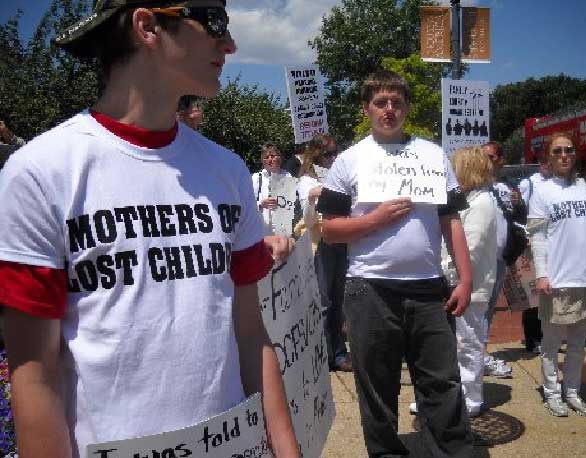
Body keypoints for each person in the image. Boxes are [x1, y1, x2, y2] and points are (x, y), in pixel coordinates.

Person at [0, 2, 300, 458]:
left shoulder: (227, 171)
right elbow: (35, 377)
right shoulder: (40, 173)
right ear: (147, 26)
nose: (230, 43)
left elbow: (251, 336)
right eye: (214, 22)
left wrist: (286, 448)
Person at [316, 70, 474, 458]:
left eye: (397, 102)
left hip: (428, 288)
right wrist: (376, 219)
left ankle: (452, 452)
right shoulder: (349, 161)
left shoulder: (432, 155)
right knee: (377, 387)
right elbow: (329, 230)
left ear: (406, 107)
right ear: (367, 108)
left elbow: (450, 219)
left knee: (443, 383)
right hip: (369, 289)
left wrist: (466, 279)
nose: (389, 110)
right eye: (381, 102)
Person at [528, 132, 586, 417]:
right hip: (558, 280)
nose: (564, 155)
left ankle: (573, 391)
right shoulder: (542, 190)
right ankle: (552, 393)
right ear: (548, 158)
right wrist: (541, 275)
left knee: (578, 343)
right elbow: (537, 237)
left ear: (575, 154)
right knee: (551, 344)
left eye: (568, 150)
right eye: (557, 151)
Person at [446, 146, 497, 418]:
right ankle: (451, 398)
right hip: (457, 285)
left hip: (472, 289)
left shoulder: (482, 204)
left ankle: (471, 398)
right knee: (454, 345)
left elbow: (471, 249)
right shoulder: (469, 200)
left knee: (469, 344)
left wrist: (443, 272)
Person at [296, 134, 352, 372]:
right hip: (321, 245)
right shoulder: (306, 180)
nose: (333, 158)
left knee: (339, 300)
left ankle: (339, 353)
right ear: (316, 156)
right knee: (323, 302)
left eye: (335, 153)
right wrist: (325, 192)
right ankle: (322, 354)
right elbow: (310, 207)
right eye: (328, 154)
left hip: (341, 242)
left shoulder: (338, 176)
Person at [481, 141, 525, 378]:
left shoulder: (506, 190)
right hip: (477, 261)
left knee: (488, 310)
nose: (485, 162)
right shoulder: (472, 186)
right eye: (482, 157)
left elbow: (518, 220)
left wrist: (518, 205)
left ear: (500, 161)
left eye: (490, 157)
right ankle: (475, 355)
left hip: (499, 260)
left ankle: (481, 354)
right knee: (472, 310)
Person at [518, 150, 551, 353]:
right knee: (533, 295)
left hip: (552, 245)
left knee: (549, 292)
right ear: (541, 162)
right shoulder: (529, 184)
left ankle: (547, 336)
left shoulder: (558, 184)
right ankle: (533, 338)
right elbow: (521, 214)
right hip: (532, 243)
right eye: (546, 161)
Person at [252, 142, 292, 233]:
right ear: (263, 161)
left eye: (273, 156)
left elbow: (291, 202)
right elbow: (248, 203)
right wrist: (261, 204)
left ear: (279, 158)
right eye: (266, 157)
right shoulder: (256, 178)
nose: (270, 159)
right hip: (262, 230)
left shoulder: (287, 176)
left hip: (282, 229)